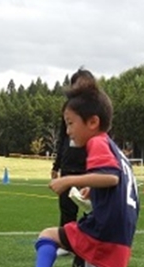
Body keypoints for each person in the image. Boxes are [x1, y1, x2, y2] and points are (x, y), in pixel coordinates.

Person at [0, 73, 140, 267]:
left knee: (48, 235)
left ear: (93, 122)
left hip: (102, 229)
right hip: (120, 235)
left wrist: (69, 180)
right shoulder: (115, 149)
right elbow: (117, 182)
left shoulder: (97, 143)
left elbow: (111, 178)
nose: (68, 131)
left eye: (71, 123)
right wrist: (92, 191)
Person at [51, 69, 91, 255]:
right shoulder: (68, 108)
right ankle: (67, 244)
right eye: (77, 84)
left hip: (88, 165)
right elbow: (62, 137)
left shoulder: (95, 108)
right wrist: (56, 165)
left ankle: (90, 242)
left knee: (90, 207)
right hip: (69, 164)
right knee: (67, 207)